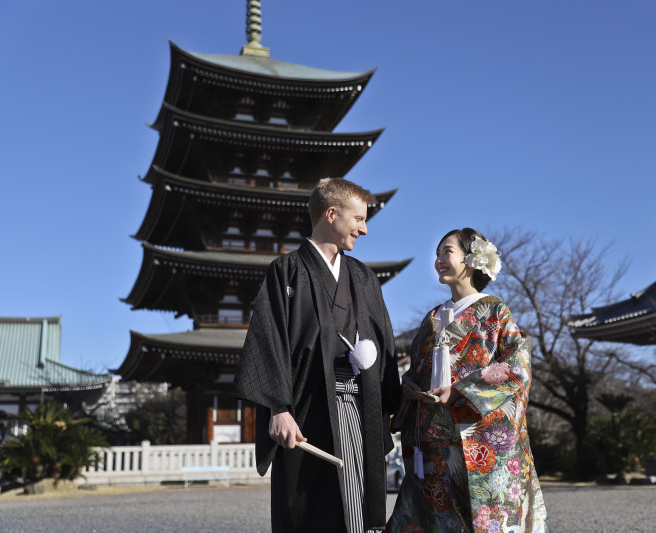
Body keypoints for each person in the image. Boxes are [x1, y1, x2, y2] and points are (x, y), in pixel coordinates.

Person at [233, 178, 401, 533]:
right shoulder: (287, 270)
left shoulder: (364, 278)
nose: (365, 229)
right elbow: (269, 339)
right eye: (358, 219)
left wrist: (397, 404)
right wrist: (278, 408)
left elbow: (385, 346)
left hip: (360, 409)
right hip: (305, 414)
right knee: (308, 511)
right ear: (331, 214)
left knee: (360, 511)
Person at [385, 228, 549, 533]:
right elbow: (418, 368)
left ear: (471, 260)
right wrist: (407, 384)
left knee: (480, 520)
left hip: (476, 437)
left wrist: (461, 391)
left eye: (446, 251)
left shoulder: (494, 310)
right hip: (432, 439)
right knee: (431, 519)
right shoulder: (432, 317)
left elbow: (518, 365)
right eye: (436, 254)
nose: (438, 260)